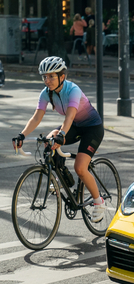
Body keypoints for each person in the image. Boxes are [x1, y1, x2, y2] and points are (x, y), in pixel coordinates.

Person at [12, 57, 106, 222]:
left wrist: (61, 135)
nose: (47, 80)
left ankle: (99, 202)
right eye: (45, 77)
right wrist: (22, 135)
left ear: (62, 76)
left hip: (92, 128)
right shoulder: (46, 93)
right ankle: (62, 178)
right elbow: (36, 118)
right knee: (49, 140)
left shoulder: (73, 90)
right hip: (75, 126)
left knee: (80, 168)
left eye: (51, 76)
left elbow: (69, 118)